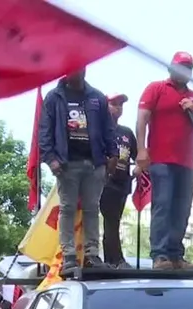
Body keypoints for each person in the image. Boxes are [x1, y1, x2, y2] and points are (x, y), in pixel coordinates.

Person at [135, 51, 193, 271]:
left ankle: (176, 255)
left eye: (189, 68)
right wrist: (141, 149)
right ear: (171, 68)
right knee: (163, 206)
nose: (185, 71)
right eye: (181, 66)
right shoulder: (156, 89)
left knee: (182, 209)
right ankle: (160, 256)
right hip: (161, 160)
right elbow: (142, 118)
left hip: (187, 163)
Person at [39, 66, 117, 274]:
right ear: (65, 71)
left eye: (81, 68)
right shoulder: (54, 97)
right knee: (67, 209)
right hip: (66, 164)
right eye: (73, 68)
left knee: (92, 209)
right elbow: (44, 131)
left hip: (94, 163)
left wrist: (113, 155)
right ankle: (69, 257)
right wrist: (50, 159)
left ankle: (92, 255)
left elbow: (108, 129)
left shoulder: (97, 97)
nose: (78, 72)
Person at [99, 93, 138, 269]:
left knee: (115, 221)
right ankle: (113, 259)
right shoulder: (99, 129)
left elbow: (139, 156)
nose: (118, 107)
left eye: (121, 104)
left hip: (123, 183)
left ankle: (113, 259)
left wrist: (139, 167)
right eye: (114, 104)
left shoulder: (126, 132)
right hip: (105, 182)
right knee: (110, 220)